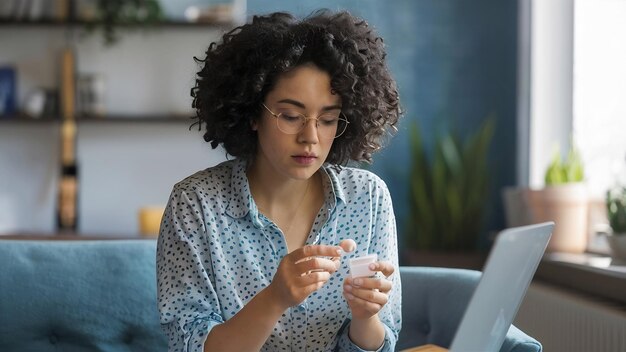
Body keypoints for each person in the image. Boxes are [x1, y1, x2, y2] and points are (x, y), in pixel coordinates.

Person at [157, 9, 402, 352]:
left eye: (328, 119)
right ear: (253, 112)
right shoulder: (196, 205)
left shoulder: (368, 198)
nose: (311, 138)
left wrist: (365, 317)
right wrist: (275, 299)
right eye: (290, 116)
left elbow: (382, 342)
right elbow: (191, 346)